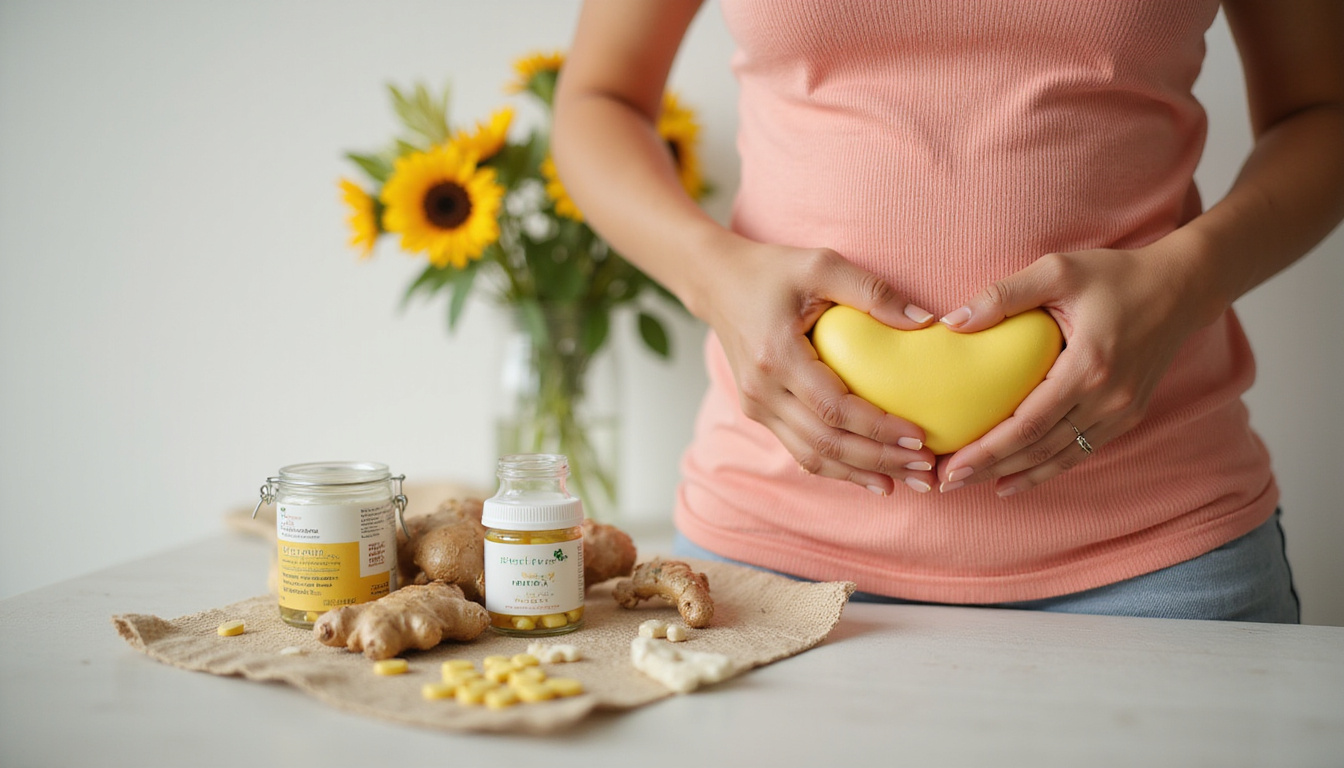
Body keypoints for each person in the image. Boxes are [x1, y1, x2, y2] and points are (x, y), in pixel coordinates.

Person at [552, 0, 1344, 621]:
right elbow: (599, 97)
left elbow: (1322, 111)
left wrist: (1185, 282)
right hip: (767, 554)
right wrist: (711, 274)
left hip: (1160, 552)